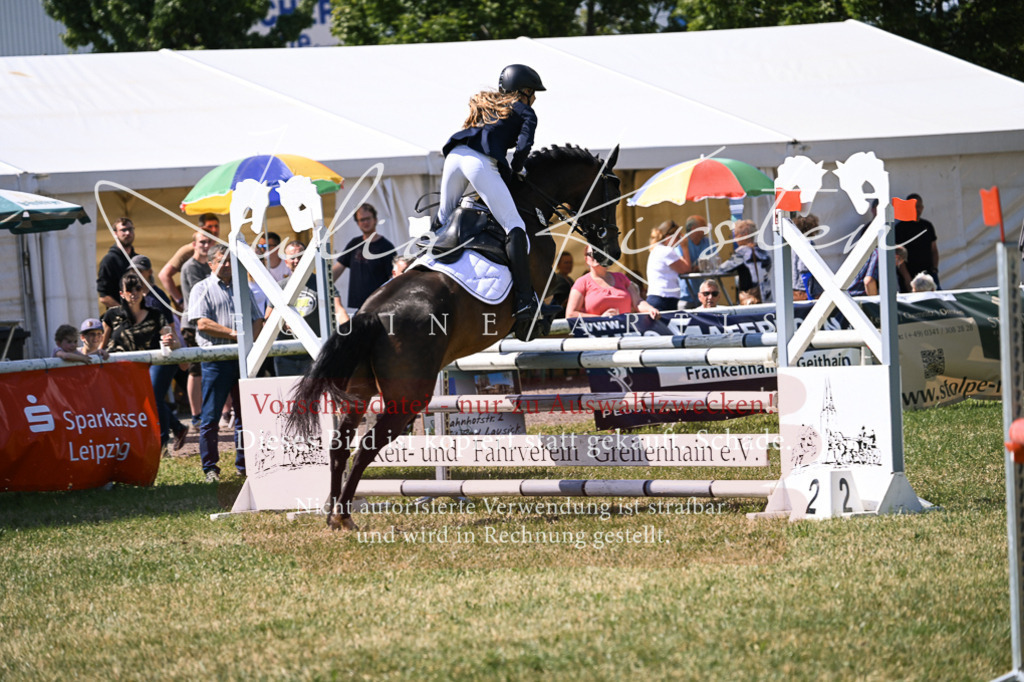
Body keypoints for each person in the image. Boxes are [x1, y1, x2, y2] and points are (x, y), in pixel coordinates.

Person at [435, 64, 545, 341]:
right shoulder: (524, 110)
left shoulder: (489, 105)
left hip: (454, 157)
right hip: (478, 163)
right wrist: (518, 169)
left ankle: (417, 265)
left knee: (443, 218)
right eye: (533, 93)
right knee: (514, 226)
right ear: (526, 91)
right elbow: (522, 147)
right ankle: (524, 300)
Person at [188, 244, 264, 482]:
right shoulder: (201, 288)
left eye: (231, 260)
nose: (228, 265)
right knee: (210, 417)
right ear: (211, 264)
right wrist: (235, 335)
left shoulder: (244, 287)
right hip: (216, 360)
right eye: (223, 261)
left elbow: (257, 319)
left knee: (246, 416)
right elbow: (202, 324)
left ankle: (244, 465)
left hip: (242, 360)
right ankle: (210, 467)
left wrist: (250, 344)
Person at [102, 271, 189, 455]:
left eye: (137, 289)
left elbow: (173, 339)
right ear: (121, 293)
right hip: (126, 367)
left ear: (143, 291)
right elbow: (102, 344)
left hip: (159, 362)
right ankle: (176, 427)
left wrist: (170, 342)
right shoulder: (111, 316)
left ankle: (162, 446)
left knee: (152, 396)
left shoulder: (156, 314)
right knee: (141, 400)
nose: (133, 293)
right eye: (129, 290)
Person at [331, 203, 395, 319]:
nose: (365, 222)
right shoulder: (354, 244)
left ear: (375, 220)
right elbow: (337, 269)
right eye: (361, 220)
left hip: (380, 308)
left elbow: (393, 278)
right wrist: (323, 284)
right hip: (359, 308)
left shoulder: (386, 247)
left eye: (368, 219)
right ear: (358, 223)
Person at [267, 240, 319, 376]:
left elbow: (337, 309)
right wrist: (282, 324)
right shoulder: (279, 286)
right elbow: (267, 318)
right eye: (292, 258)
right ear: (286, 262)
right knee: (286, 397)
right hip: (285, 357)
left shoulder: (321, 283)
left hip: (313, 355)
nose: (296, 261)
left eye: (300, 256)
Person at [180, 230, 214, 430]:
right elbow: (202, 291)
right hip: (192, 324)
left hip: (210, 323)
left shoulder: (209, 265)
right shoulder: (190, 267)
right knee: (195, 370)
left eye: (208, 242)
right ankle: (195, 416)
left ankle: (221, 412)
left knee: (213, 367)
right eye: (202, 242)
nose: (205, 245)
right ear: (194, 244)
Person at [566, 247, 660, 319]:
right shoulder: (582, 282)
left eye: (600, 253)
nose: (596, 256)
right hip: (596, 337)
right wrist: (600, 319)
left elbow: (638, 302)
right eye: (592, 253)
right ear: (586, 259)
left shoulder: (621, 278)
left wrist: (650, 309)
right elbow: (570, 314)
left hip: (626, 333)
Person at [159, 213, 220, 310]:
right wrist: (180, 301)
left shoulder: (217, 249)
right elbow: (164, 275)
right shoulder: (188, 251)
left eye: (216, 226)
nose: (214, 230)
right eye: (210, 226)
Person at [719, 219, 773, 304]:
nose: (735, 239)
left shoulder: (743, 252)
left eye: (736, 235)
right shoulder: (763, 251)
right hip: (767, 295)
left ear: (745, 235)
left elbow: (723, 269)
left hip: (750, 298)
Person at [894, 193, 940, 287]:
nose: (917, 209)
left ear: (922, 207)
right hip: (910, 276)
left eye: (919, 206)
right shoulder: (900, 228)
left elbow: (934, 249)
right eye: (914, 206)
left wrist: (934, 269)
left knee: (935, 300)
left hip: (929, 275)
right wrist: (906, 277)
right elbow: (898, 255)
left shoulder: (927, 226)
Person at [645, 220, 689, 311]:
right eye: (678, 237)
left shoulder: (658, 249)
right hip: (664, 298)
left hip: (660, 297)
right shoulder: (666, 251)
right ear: (669, 237)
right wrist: (685, 247)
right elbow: (686, 269)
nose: (679, 240)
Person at [96, 217, 137, 310]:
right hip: (120, 317)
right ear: (115, 233)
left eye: (130, 229)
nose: (127, 233)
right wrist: (124, 311)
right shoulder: (109, 260)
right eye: (123, 230)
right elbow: (104, 297)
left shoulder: (137, 259)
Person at [676, 215, 712, 309]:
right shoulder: (682, 243)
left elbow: (714, 262)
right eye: (704, 226)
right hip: (684, 296)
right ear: (693, 228)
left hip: (703, 296)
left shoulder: (708, 242)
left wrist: (700, 267)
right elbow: (682, 267)